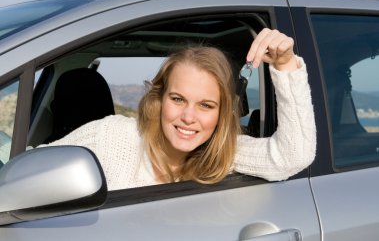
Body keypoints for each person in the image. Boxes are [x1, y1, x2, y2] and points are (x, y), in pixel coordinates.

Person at [42, 28, 316, 190]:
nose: (188, 117)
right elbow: (30, 170)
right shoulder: (112, 136)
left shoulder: (224, 152)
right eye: (178, 99)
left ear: (222, 114)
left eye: (206, 105)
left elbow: (292, 156)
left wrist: (285, 65)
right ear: (159, 98)